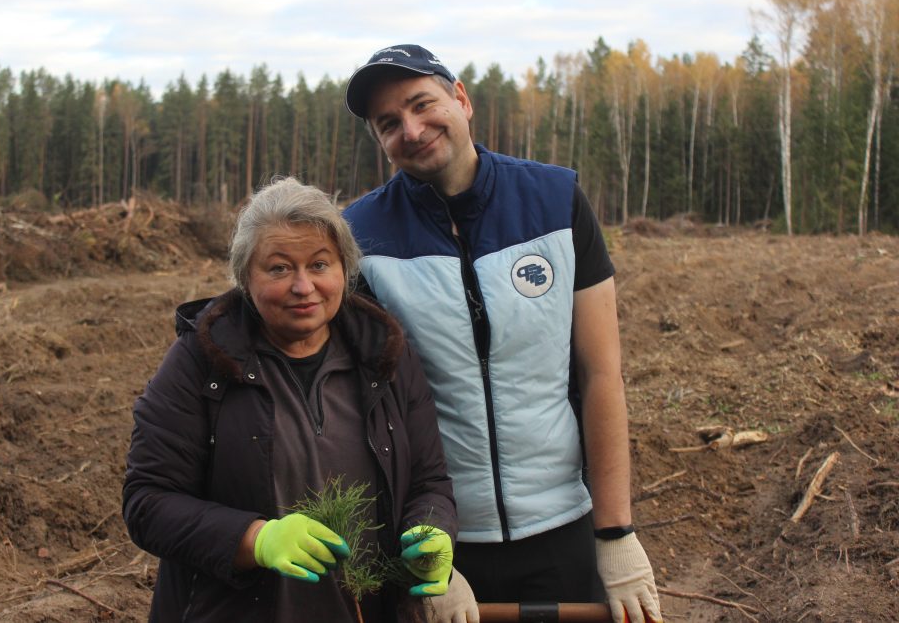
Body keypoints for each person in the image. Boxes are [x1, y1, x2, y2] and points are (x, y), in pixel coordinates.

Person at [342, 45, 663, 623]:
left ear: (461, 99)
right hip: (445, 540)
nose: (411, 130)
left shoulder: (555, 200)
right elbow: (368, 414)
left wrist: (615, 533)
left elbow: (600, 373)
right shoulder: (360, 236)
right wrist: (422, 552)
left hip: (563, 523)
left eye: (422, 105)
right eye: (389, 124)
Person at [123, 176, 459, 622]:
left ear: (345, 269)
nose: (304, 286)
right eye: (279, 268)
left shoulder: (385, 356)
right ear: (245, 276)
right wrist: (255, 539)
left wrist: (431, 529)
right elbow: (148, 502)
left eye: (320, 264)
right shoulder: (200, 362)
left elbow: (428, 481)